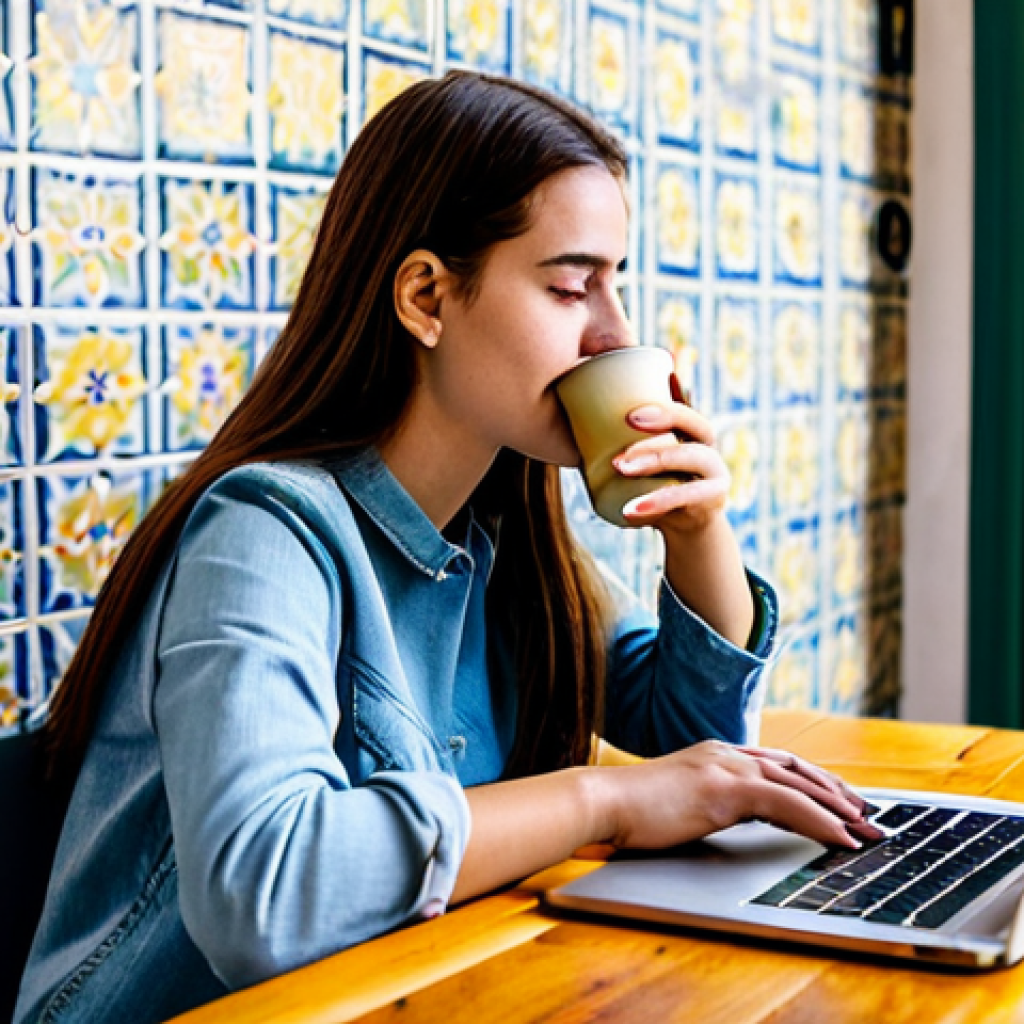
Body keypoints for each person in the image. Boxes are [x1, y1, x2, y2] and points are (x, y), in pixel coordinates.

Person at [15, 71, 881, 1024]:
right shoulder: (265, 535)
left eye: (618, 286)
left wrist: (698, 533)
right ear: (426, 296)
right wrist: (603, 803)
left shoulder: (506, 544)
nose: (617, 336)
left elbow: (690, 748)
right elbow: (263, 891)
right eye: (570, 285)